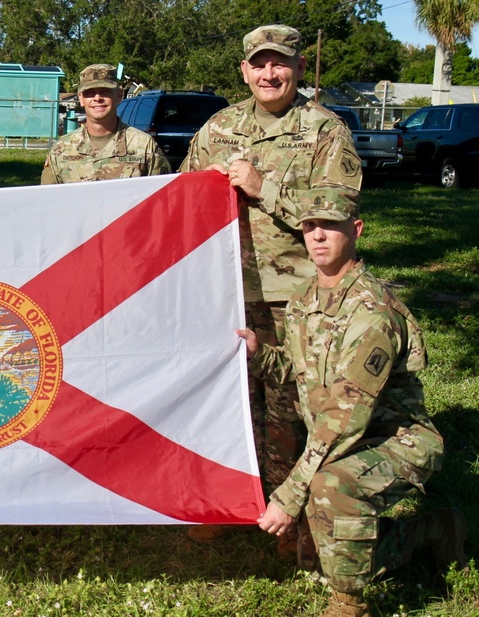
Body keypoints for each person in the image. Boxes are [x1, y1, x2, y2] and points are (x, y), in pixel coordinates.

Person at [180, 24, 362, 559]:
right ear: (243, 69)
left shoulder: (325, 130)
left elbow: (339, 211)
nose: (268, 73)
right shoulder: (220, 126)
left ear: (299, 69)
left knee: (292, 405)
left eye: (279, 63)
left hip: (295, 293)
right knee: (227, 398)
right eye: (258, 64)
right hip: (227, 289)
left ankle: (292, 519)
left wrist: (266, 189)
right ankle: (233, 502)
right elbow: (181, 196)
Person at [239, 199, 466, 617]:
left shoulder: (372, 311)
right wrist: (258, 355)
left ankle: (349, 604)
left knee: (331, 488)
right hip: (341, 441)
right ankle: (430, 531)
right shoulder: (304, 299)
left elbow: (346, 417)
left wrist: (290, 495)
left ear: (357, 229)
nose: (318, 236)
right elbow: (297, 369)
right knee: (314, 559)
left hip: (396, 440)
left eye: (329, 225)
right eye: (309, 226)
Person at [42, 64, 170, 184]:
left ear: (119, 95)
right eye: (90, 93)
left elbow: (164, 196)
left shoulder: (144, 146)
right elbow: (46, 199)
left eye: (105, 91)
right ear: (81, 99)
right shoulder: (62, 149)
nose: (97, 98)